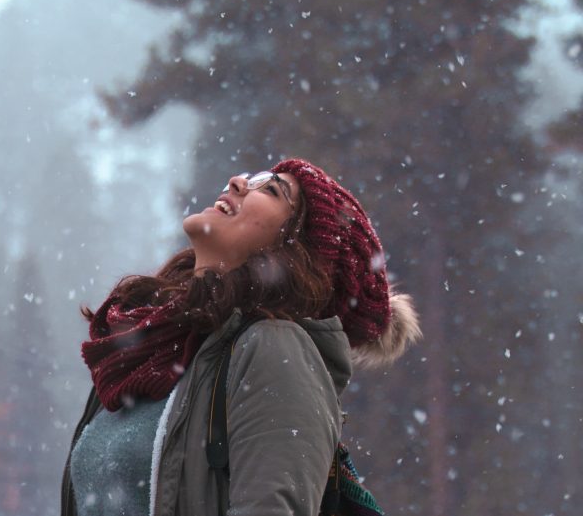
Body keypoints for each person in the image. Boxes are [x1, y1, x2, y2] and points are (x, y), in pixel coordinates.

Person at [61, 158, 421, 516]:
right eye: (254, 177)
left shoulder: (273, 349)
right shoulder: (145, 352)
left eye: (272, 189)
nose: (237, 182)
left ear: (294, 251)